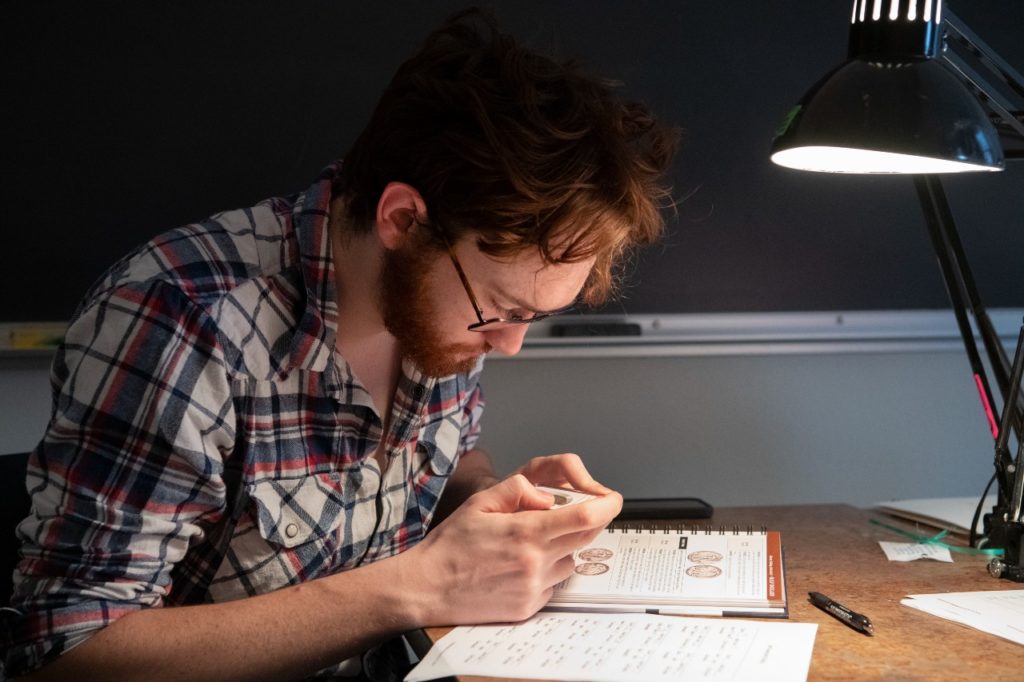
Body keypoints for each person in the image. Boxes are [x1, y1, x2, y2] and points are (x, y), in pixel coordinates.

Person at [2, 8, 676, 680]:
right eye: (502, 310)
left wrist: (492, 502)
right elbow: (71, 652)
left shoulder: (438, 305)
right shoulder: (180, 321)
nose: (510, 345)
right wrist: (417, 587)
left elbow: (444, 457)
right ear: (404, 221)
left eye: (533, 315)